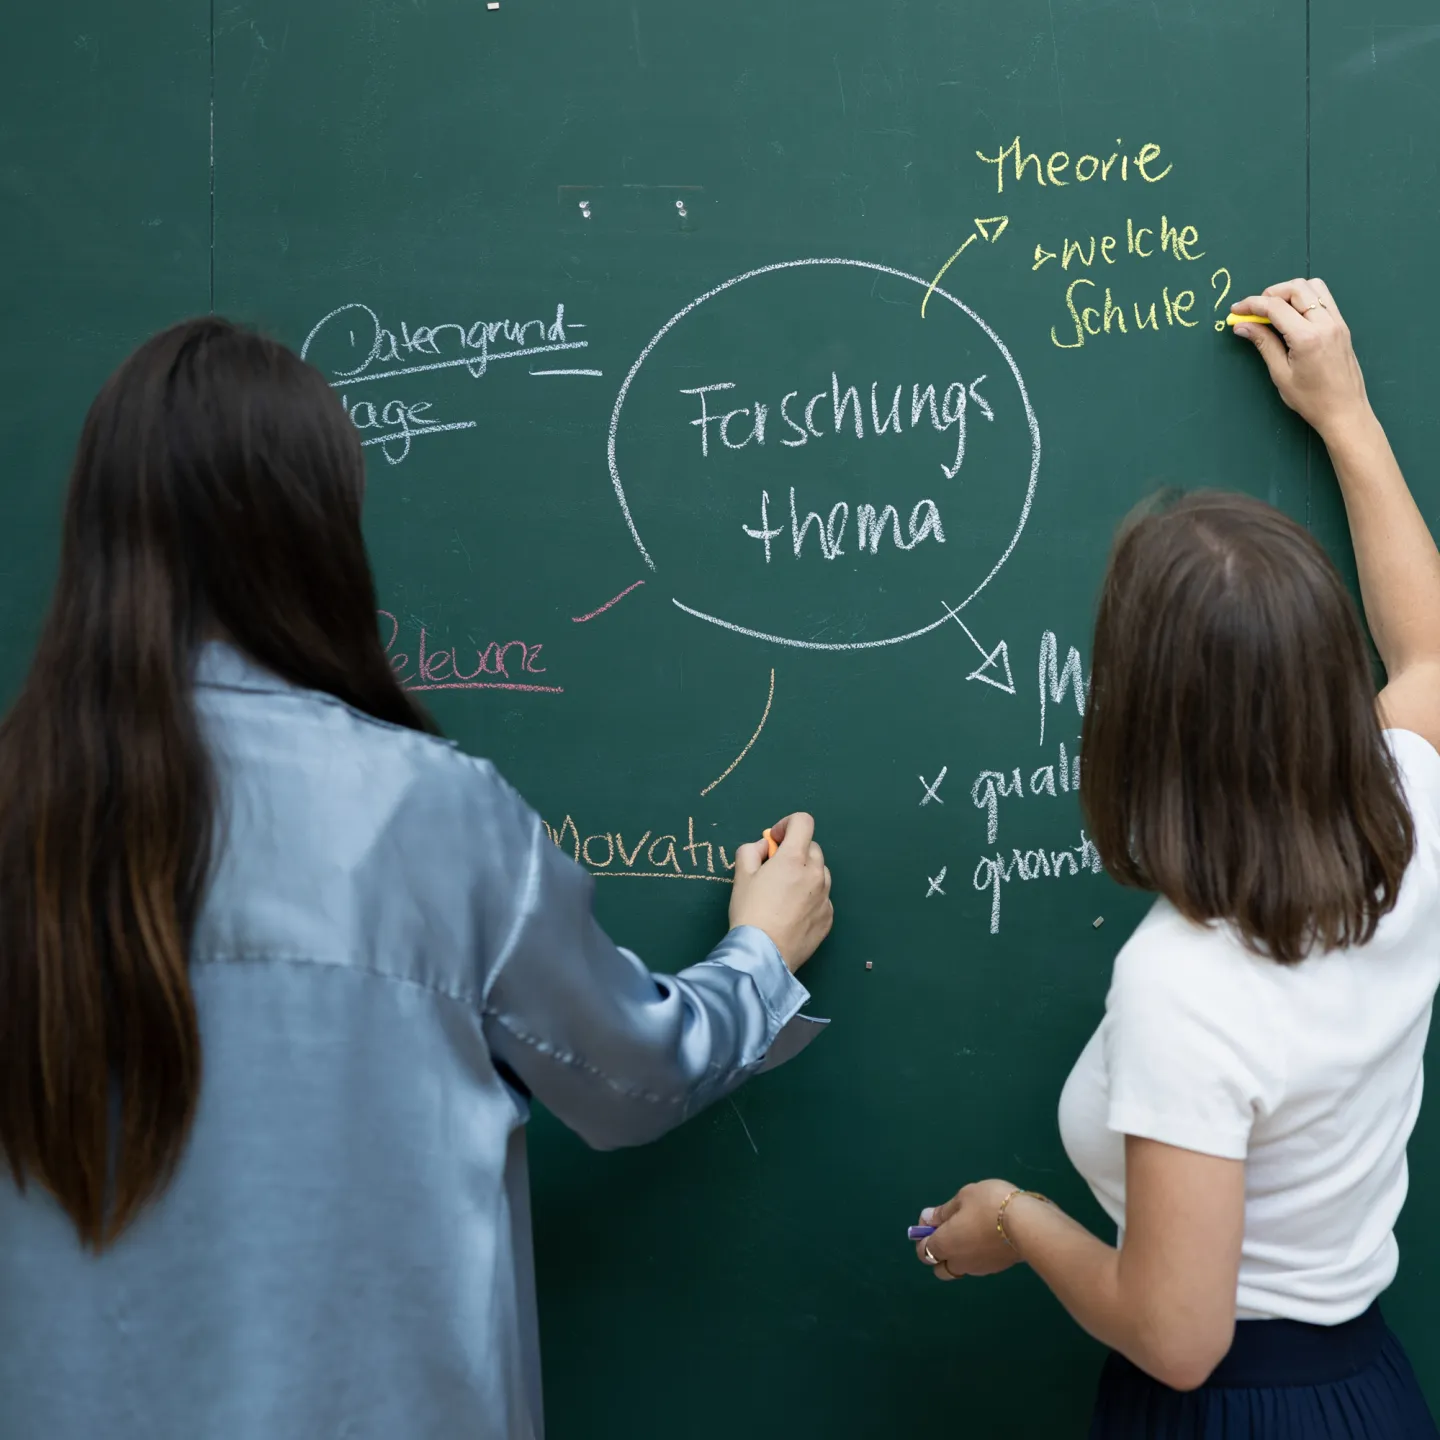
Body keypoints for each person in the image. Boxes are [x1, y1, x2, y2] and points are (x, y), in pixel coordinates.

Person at [0, 318, 834, 1440]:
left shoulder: (22, 819)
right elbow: (633, 1074)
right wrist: (760, 958)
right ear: (314, 531)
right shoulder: (424, 811)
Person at [914, 279, 1440, 1438]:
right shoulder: (1404, 827)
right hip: (1367, 1390)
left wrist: (1011, 1218)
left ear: (1137, 721)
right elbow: (1427, 653)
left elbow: (1178, 1336)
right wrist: (1346, 416)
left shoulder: (1185, 982)